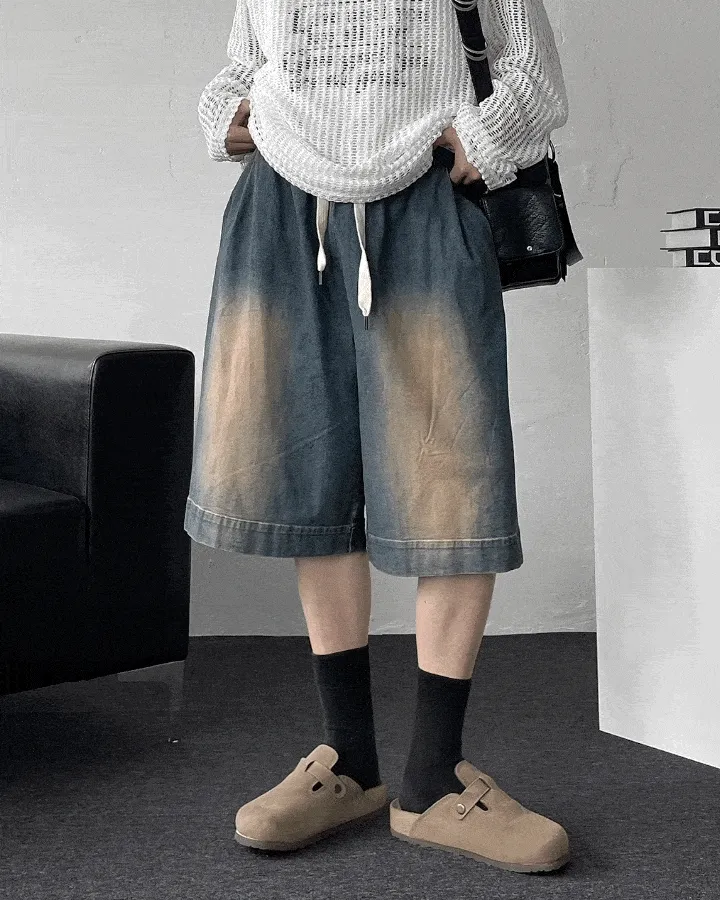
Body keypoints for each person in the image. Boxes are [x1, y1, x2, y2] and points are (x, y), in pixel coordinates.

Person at [185, 0, 571, 874]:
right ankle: (349, 761)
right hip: (280, 209)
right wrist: (233, 116)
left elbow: (534, 75)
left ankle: (433, 776)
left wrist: (475, 140)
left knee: (452, 476)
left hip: (425, 204)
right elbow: (244, 60)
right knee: (311, 472)